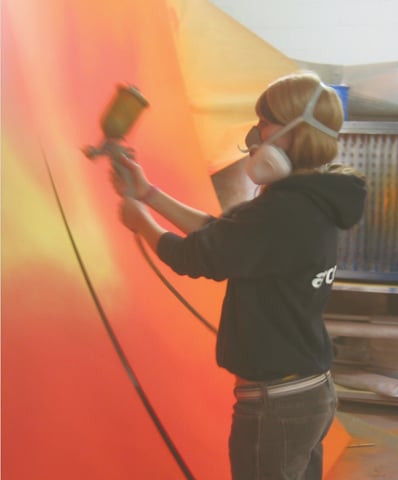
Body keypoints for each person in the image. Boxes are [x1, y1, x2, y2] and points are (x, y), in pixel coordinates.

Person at [114, 71, 367, 479]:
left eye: (264, 122)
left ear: (293, 132)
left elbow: (194, 256)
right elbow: (225, 235)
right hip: (310, 391)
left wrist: (139, 220)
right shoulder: (313, 201)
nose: (256, 134)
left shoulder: (282, 210)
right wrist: (150, 196)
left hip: (277, 403)